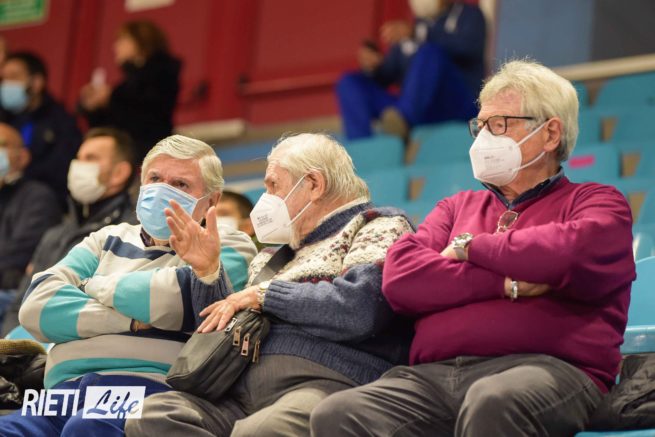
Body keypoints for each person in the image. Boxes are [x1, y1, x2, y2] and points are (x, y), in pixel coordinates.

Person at [311, 60, 636, 436]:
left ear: (550, 134)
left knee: (492, 400)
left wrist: (470, 246)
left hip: (549, 369)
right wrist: (505, 284)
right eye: (480, 126)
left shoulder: (598, 202)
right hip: (433, 377)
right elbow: (401, 277)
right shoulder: (456, 207)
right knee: (337, 414)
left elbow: (566, 253)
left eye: (499, 124)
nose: (483, 138)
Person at [127, 133, 415, 437]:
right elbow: (221, 330)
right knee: (154, 416)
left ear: (314, 185)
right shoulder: (271, 255)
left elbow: (359, 310)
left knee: (260, 431)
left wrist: (267, 295)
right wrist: (207, 271)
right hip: (241, 392)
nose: (265, 198)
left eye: (273, 185)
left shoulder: (379, 225)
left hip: (331, 384)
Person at [0, 135, 256, 436]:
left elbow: (180, 300)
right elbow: (37, 307)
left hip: (147, 389)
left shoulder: (226, 243)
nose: (162, 190)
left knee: (88, 428)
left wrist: (90, 286)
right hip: (61, 392)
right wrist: (130, 321)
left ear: (211, 200)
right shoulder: (105, 238)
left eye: (180, 184)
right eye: (155, 179)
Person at [0, 127, 137, 337]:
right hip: (28, 342)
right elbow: (20, 303)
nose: (78, 166)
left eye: (90, 158)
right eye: (78, 158)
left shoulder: (130, 233)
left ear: (119, 173)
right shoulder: (55, 235)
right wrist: (11, 346)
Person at [337, 0, 485, 140]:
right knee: (349, 82)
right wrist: (374, 65)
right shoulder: (415, 25)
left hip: (455, 104)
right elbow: (387, 74)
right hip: (416, 108)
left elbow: (468, 47)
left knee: (430, 52)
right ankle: (361, 144)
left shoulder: (470, 15)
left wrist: (418, 33)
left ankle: (404, 120)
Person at [79, 20, 181, 163]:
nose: (116, 46)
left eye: (122, 40)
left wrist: (111, 98)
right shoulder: (126, 85)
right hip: (126, 156)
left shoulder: (161, 75)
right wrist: (94, 108)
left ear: (141, 42)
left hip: (149, 154)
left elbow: (147, 113)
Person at [0, 51, 82, 208]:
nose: (6, 84)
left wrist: (20, 173)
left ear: (36, 82)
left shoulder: (61, 122)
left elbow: (61, 170)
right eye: (3, 79)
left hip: (45, 202)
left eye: (14, 77)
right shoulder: (5, 118)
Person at [0, 123, 62, 327]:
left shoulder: (37, 197)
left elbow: (16, 258)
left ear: (23, 157)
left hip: (15, 293)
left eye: (2, 144)